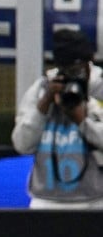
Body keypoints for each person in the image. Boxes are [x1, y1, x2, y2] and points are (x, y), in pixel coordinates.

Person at [12, 28, 103, 209]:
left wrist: (83, 121)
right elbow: (21, 144)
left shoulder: (100, 89)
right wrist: (44, 105)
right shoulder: (43, 88)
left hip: (95, 200)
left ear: (88, 64)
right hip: (46, 201)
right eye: (66, 70)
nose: (72, 75)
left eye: (77, 70)